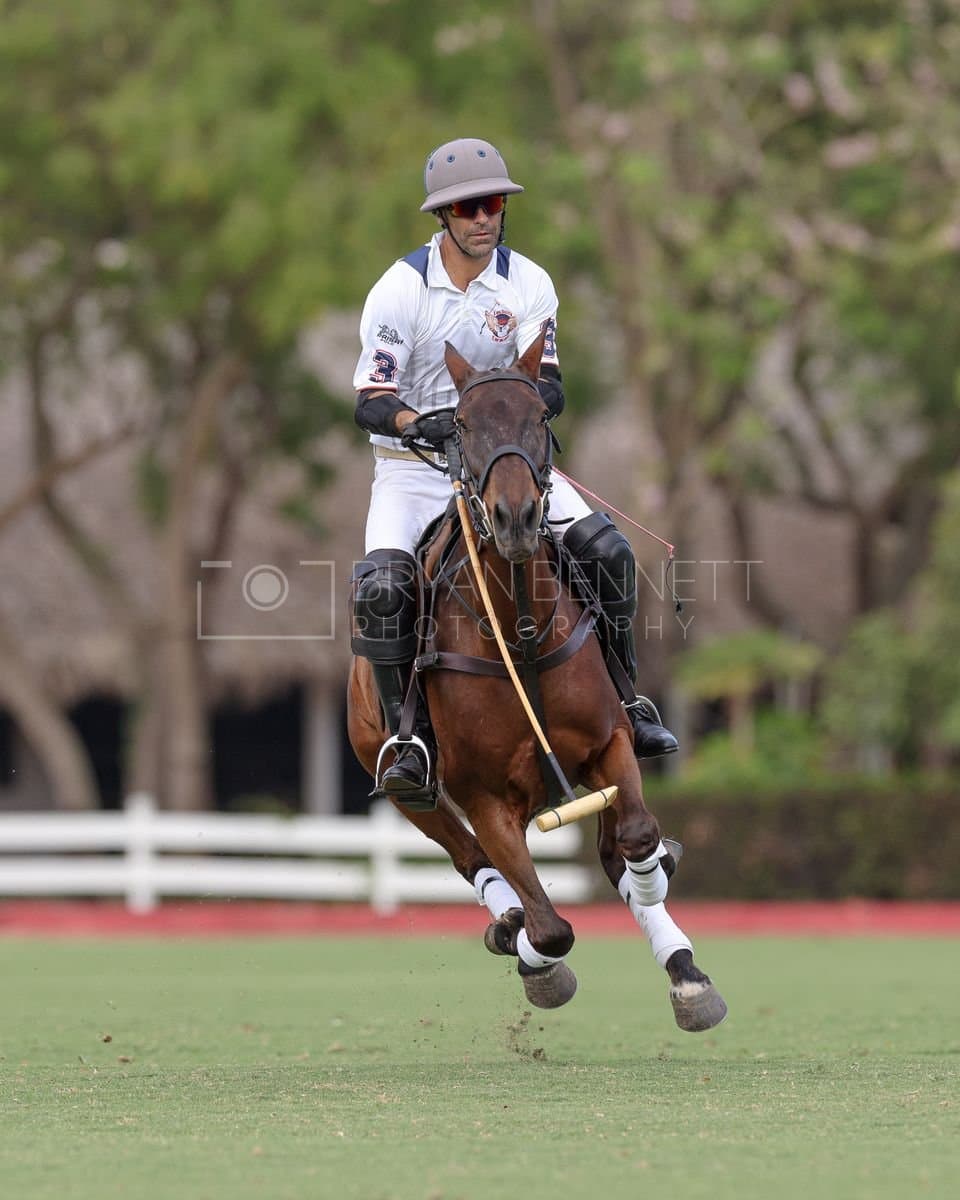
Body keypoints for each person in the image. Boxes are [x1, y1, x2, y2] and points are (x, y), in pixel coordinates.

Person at [351, 137, 677, 806]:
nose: (483, 218)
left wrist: (506, 415)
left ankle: (628, 699)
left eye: (493, 203)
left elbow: (550, 385)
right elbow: (371, 401)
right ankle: (406, 737)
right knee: (382, 587)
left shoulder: (528, 283)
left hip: (508, 463)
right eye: (467, 207)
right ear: (442, 216)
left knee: (610, 554)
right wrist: (423, 423)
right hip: (415, 472)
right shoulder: (401, 290)